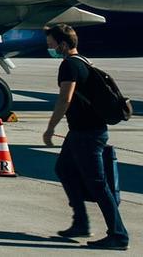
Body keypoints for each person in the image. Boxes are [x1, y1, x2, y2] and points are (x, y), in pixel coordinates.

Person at [44, 24, 129, 250]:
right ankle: (81, 222)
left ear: (63, 44)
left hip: (88, 133)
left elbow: (65, 99)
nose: (49, 46)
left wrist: (50, 128)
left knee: (98, 185)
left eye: (51, 43)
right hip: (82, 132)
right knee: (63, 169)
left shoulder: (70, 65)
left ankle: (118, 235)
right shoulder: (82, 61)